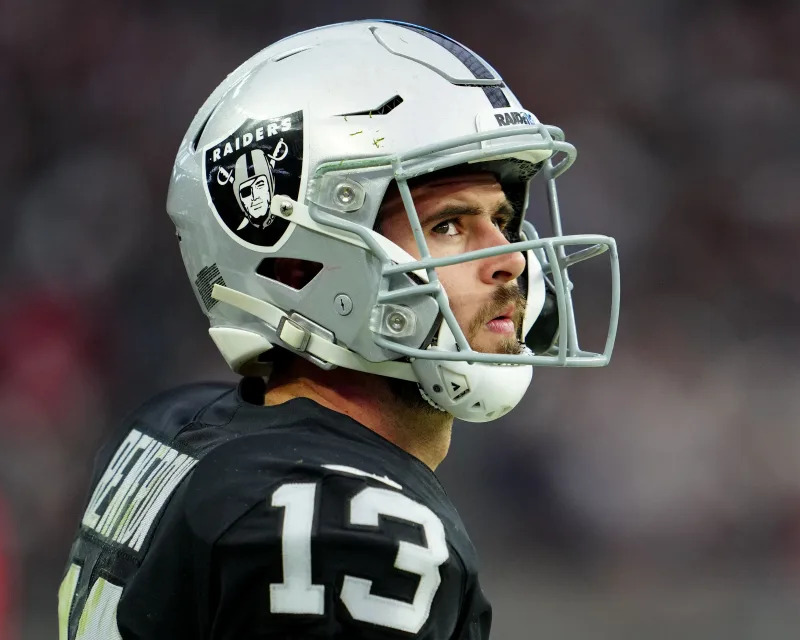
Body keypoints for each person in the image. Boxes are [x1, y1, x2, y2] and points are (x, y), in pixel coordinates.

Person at [58, 19, 619, 640]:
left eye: (503, 218)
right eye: (449, 225)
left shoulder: (176, 426)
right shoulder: (338, 523)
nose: (511, 258)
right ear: (302, 259)